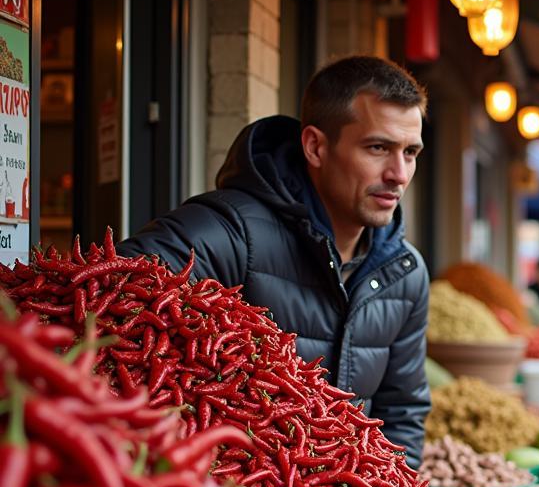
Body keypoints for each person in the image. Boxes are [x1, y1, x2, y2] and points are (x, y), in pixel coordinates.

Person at [119, 56, 431, 465]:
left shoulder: (405, 273)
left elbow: (401, 413)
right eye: (378, 148)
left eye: (410, 152)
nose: (399, 173)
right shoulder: (232, 233)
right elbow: (114, 288)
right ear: (316, 147)